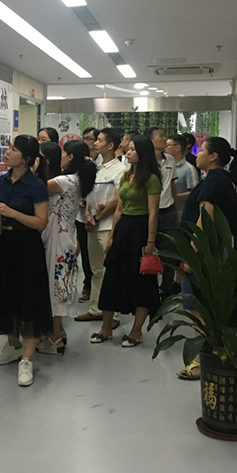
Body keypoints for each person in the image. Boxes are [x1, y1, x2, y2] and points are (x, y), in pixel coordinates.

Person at [0, 135, 52, 387]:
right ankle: (12, 345)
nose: (7, 152)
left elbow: (41, 222)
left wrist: (12, 212)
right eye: (9, 148)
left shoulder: (36, 185)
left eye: (13, 149)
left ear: (25, 158)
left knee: (28, 299)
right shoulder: (0, 182)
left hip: (27, 248)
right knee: (6, 295)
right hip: (4, 245)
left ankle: (27, 357)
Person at [176, 136, 237, 381]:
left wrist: (192, 252)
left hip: (204, 255)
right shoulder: (217, 179)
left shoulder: (214, 182)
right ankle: (205, 357)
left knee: (198, 308)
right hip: (210, 254)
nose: (198, 154)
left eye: (202, 150)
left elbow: (206, 219)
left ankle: (201, 360)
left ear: (213, 157)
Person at [90, 135, 161, 347]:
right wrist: (112, 235)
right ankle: (106, 328)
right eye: (128, 149)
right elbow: (119, 209)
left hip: (140, 230)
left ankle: (136, 332)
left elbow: (153, 213)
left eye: (133, 149)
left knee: (141, 282)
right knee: (112, 278)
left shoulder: (151, 179)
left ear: (143, 153)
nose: (128, 153)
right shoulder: (126, 176)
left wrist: (150, 242)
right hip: (123, 229)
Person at [38, 140, 96, 354]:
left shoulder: (64, 181)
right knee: (60, 284)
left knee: (54, 286)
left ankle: (54, 338)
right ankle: (59, 331)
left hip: (57, 237)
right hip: (67, 235)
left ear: (70, 157)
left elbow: (36, 187)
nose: (61, 157)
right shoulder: (78, 180)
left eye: (64, 153)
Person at [76, 128, 125, 328]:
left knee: (110, 272)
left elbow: (116, 200)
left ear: (110, 145)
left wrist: (97, 217)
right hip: (92, 225)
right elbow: (87, 195)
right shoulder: (95, 168)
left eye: (99, 140)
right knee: (96, 270)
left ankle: (113, 315)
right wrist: (88, 214)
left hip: (107, 226)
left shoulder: (120, 169)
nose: (95, 143)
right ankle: (96, 309)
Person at [145, 127, 179, 299]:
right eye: (161, 136)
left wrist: (175, 209)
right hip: (147, 212)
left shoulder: (170, 160)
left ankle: (166, 289)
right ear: (151, 141)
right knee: (147, 251)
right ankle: (148, 290)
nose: (165, 139)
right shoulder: (142, 161)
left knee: (170, 253)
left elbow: (172, 185)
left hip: (168, 211)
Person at [77, 127, 100, 303]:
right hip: (81, 214)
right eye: (84, 138)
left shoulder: (102, 162)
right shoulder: (80, 162)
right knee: (85, 251)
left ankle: (98, 288)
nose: (86, 142)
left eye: (89, 139)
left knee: (97, 254)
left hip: (99, 214)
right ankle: (88, 284)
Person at [166, 135, 199, 223]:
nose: (165, 148)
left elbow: (193, 193)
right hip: (167, 216)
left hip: (181, 215)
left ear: (177, 148)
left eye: (168, 145)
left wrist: (174, 196)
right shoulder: (166, 166)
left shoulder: (189, 169)